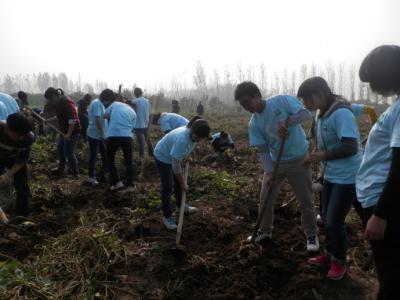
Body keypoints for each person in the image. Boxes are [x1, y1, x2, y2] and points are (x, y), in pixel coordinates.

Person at [235, 81, 319, 251]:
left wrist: (288, 121)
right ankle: (264, 231)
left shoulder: (281, 101)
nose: (246, 107)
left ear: (257, 96)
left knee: (305, 200)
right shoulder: (254, 123)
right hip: (276, 163)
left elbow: (306, 115)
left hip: (299, 159)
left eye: (247, 102)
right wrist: (270, 172)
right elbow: (264, 151)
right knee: (265, 197)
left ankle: (311, 235)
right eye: (243, 105)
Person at [298, 77, 362, 280]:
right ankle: (328, 254)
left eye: (307, 99)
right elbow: (326, 142)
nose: (305, 104)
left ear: (320, 94)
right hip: (331, 174)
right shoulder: (321, 114)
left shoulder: (341, 113)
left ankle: (339, 261)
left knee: (334, 221)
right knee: (326, 218)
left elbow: (350, 147)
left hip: (347, 177)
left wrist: (324, 155)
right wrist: (315, 155)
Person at [356, 45, 400, 299]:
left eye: (374, 79)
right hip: (378, 200)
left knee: (391, 274)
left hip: (385, 205)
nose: (373, 87)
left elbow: (399, 165)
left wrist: (381, 214)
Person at [154, 117, 210, 230]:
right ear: (191, 130)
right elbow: (175, 164)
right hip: (162, 157)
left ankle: (181, 206)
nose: (198, 140)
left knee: (178, 182)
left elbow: (191, 145)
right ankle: (167, 217)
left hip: (173, 156)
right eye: (197, 137)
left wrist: (187, 155)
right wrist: (183, 182)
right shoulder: (182, 139)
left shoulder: (193, 135)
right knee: (168, 187)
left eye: (201, 139)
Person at [0, 113, 35, 217]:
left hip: (14, 159)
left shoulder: (28, 138)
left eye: (23, 135)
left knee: (22, 186)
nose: (21, 139)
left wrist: (8, 175)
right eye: (18, 135)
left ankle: (23, 217)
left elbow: (22, 160)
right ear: (7, 129)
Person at [102, 90, 136, 191]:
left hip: (113, 135)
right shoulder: (132, 111)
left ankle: (117, 182)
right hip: (127, 137)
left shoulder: (114, 104)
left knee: (110, 159)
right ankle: (130, 185)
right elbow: (132, 127)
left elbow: (105, 115)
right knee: (128, 161)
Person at [44, 88, 81, 177]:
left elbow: (72, 120)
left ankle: (75, 173)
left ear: (54, 96)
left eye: (50, 99)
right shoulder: (59, 103)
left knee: (69, 152)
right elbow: (59, 115)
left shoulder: (66, 102)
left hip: (73, 131)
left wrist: (68, 134)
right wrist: (50, 120)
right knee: (60, 149)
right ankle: (61, 169)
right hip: (63, 131)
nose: (50, 102)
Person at [86, 91, 108, 186]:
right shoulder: (97, 104)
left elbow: (102, 117)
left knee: (104, 155)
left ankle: (103, 174)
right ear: (105, 98)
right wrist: (103, 133)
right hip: (95, 135)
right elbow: (97, 120)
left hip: (99, 135)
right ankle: (91, 177)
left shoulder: (99, 103)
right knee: (93, 156)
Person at [133, 87, 153, 158]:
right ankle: (152, 153)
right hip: (146, 123)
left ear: (135, 93)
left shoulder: (134, 101)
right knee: (148, 139)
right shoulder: (147, 101)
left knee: (140, 141)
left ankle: (142, 156)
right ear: (141, 93)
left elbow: (133, 112)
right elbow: (150, 112)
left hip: (137, 124)